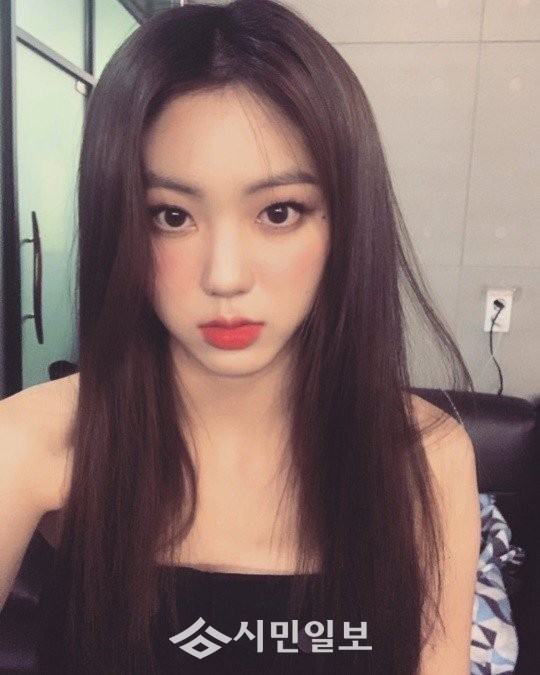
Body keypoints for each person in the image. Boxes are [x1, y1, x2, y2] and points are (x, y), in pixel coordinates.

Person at [0, 1, 481, 673]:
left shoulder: (423, 459)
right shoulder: (31, 440)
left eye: (279, 212)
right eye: (171, 216)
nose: (224, 277)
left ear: (345, 222)